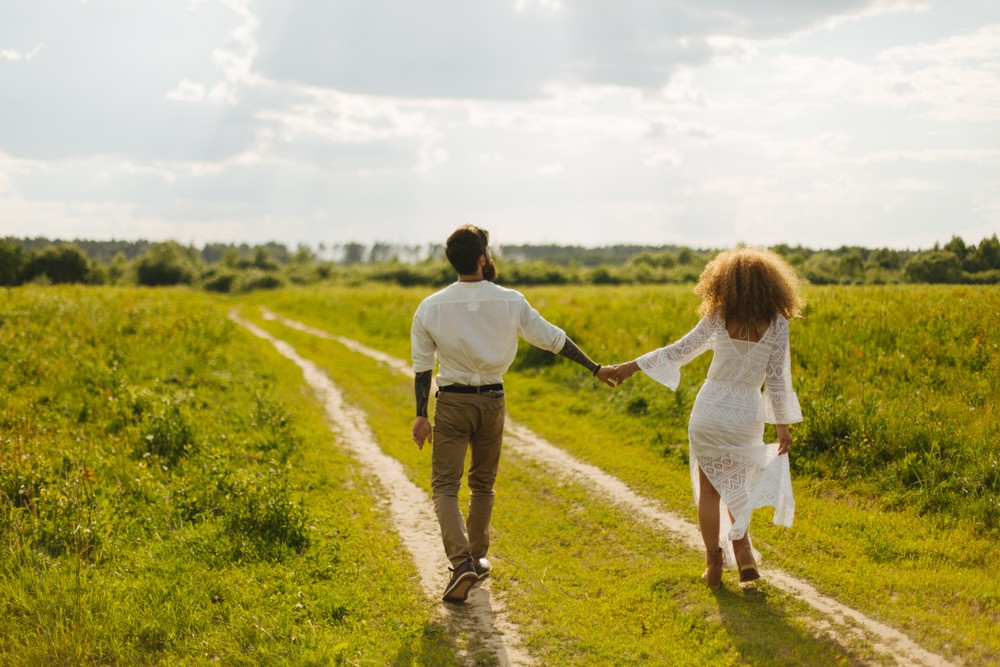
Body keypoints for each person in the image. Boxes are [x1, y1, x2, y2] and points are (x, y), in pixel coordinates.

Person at [411, 224, 618, 603]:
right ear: (481, 259)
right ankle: (475, 557)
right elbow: (553, 339)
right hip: (492, 400)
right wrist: (595, 368)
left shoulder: (430, 307)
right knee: (482, 484)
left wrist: (422, 414)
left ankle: (461, 565)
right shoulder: (510, 300)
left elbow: (423, 366)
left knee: (445, 486)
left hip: (452, 402)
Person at [609, 247, 804, 588]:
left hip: (711, 410)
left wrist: (630, 367)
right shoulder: (777, 325)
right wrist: (782, 426)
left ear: (726, 283)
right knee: (738, 486)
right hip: (745, 414)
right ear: (772, 285)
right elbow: (776, 379)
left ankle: (714, 565)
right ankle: (743, 553)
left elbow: (678, 350)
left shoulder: (718, 316)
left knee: (711, 490)